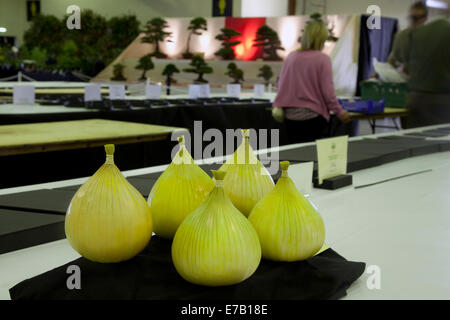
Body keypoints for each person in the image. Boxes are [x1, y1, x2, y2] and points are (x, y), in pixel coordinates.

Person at [272, 19, 350, 144]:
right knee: (312, 157)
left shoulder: (291, 57)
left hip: (290, 118)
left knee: (295, 156)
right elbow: (328, 92)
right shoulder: (323, 59)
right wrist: (339, 112)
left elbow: (281, 85)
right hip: (314, 118)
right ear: (321, 39)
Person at [404, 14, 450, 128]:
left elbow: (406, 67)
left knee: (413, 141)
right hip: (441, 103)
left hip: (414, 99)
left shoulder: (417, 32)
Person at [387, 1, 428, 73]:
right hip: (406, 78)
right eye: (411, 17)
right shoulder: (402, 36)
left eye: (417, 18)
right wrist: (376, 75)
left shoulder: (432, 37)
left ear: (425, 19)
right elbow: (392, 60)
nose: (413, 21)